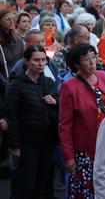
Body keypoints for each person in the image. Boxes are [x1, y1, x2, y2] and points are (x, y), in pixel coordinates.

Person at [59, 44, 105, 198]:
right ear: (77, 64)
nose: (92, 62)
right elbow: (65, 125)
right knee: (86, 190)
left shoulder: (103, 75)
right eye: (86, 59)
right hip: (85, 150)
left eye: (93, 57)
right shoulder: (69, 86)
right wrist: (69, 157)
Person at [5, 45, 58, 198]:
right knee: (25, 184)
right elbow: (11, 116)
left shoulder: (48, 82)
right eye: (36, 60)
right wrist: (15, 146)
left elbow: (59, 104)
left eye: (43, 60)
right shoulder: (16, 84)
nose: (41, 64)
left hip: (47, 141)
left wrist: (55, 101)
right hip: (26, 142)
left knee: (40, 184)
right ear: (26, 61)